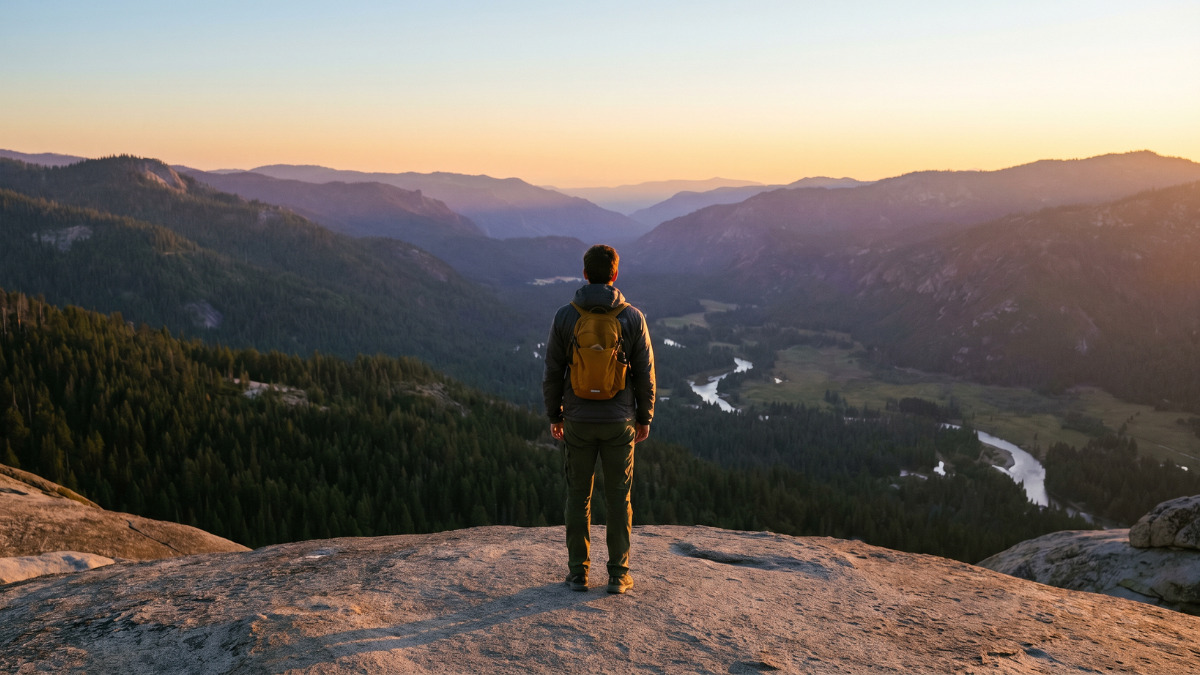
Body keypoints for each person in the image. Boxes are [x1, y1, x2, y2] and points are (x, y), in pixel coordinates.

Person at [542, 244, 655, 594]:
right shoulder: (632, 317)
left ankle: (578, 572)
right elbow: (644, 373)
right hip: (619, 422)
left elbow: (553, 371)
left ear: (585, 273)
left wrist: (554, 414)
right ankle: (619, 574)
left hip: (577, 420)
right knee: (619, 498)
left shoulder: (565, 316)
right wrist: (644, 416)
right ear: (615, 275)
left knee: (579, 497)